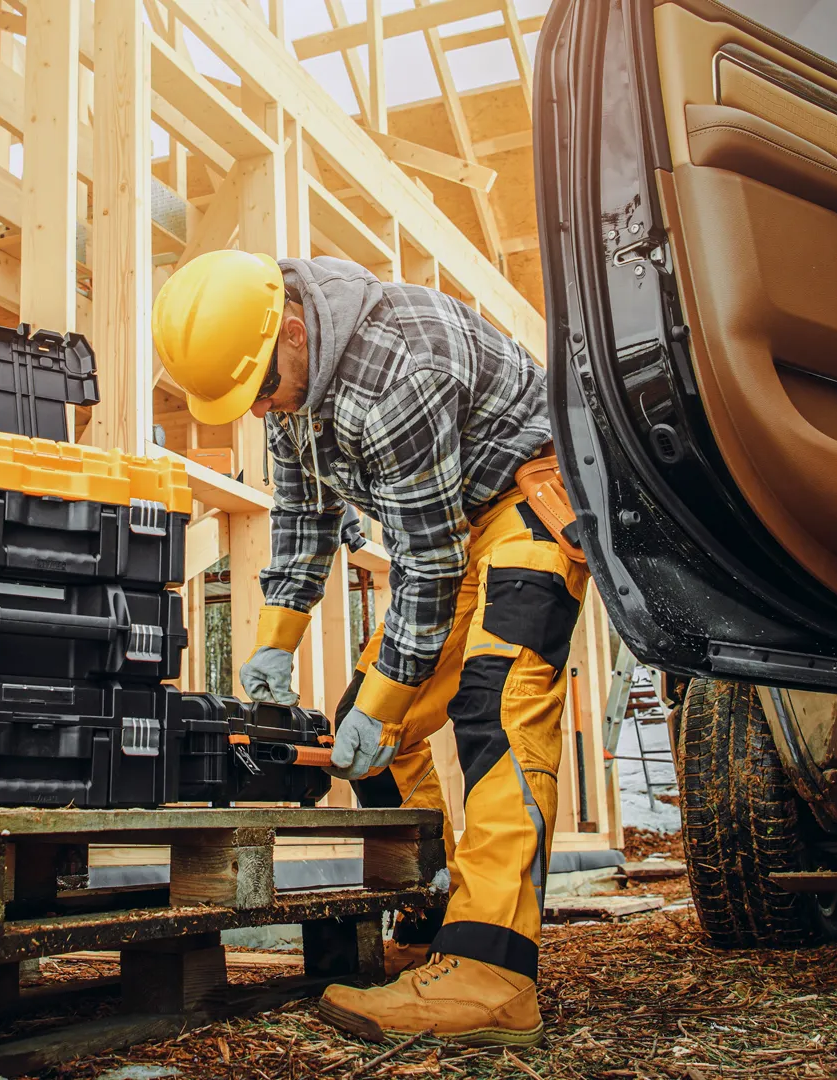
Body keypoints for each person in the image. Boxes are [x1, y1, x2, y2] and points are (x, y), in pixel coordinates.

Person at [152, 249, 590, 1047]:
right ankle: (436, 916)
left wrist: (390, 701)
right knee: (368, 727)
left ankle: (493, 973)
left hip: (526, 503)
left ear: (292, 332)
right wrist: (276, 641)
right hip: (454, 529)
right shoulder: (289, 384)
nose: (256, 412)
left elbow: (424, 566)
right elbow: (302, 519)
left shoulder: (394, 370)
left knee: (498, 705)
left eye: (260, 391)